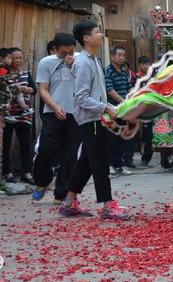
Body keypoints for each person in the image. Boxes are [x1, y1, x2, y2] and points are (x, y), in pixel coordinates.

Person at [59, 20, 128, 219]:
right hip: (90, 119)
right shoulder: (83, 62)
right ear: (86, 38)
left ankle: (69, 202)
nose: (101, 35)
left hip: (97, 117)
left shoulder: (92, 60)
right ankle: (108, 205)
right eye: (97, 32)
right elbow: (81, 98)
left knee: (87, 162)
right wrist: (106, 107)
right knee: (99, 163)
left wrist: (108, 108)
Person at [32, 33, 80, 204]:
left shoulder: (81, 61)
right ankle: (42, 181)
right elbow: (43, 89)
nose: (68, 56)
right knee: (45, 149)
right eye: (63, 52)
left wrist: (75, 66)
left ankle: (61, 193)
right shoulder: (46, 62)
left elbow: (88, 83)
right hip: (52, 112)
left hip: (75, 113)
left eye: (71, 52)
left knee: (70, 154)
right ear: (55, 49)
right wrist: (55, 106)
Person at [2, 47, 36, 184]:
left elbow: (34, 90)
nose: (18, 60)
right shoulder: (2, 74)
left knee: (25, 145)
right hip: (8, 115)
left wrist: (24, 89)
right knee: (6, 145)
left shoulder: (26, 74)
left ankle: (27, 173)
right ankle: (7, 172)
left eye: (20, 58)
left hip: (24, 115)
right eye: (15, 58)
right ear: (9, 59)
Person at [104, 46, 133, 174]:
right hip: (111, 110)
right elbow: (110, 91)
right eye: (119, 55)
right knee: (111, 138)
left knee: (121, 137)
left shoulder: (123, 72)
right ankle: (109, 165)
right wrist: (124, 102)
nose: (122, 58)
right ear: (112, 56)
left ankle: (119, 165)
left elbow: (129, 88)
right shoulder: (107, 71)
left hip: (123, 111)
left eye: (123, 55)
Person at [136, 56, 154, 167]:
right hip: (139, 108)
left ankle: (146, 158)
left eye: (147, 64)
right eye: (143, 64)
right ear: (139, 65)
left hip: (151, 109)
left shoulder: (152, 77)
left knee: (149, 134)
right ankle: (141, 156)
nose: (145, 66)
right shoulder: (137, 78)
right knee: (140, 133)